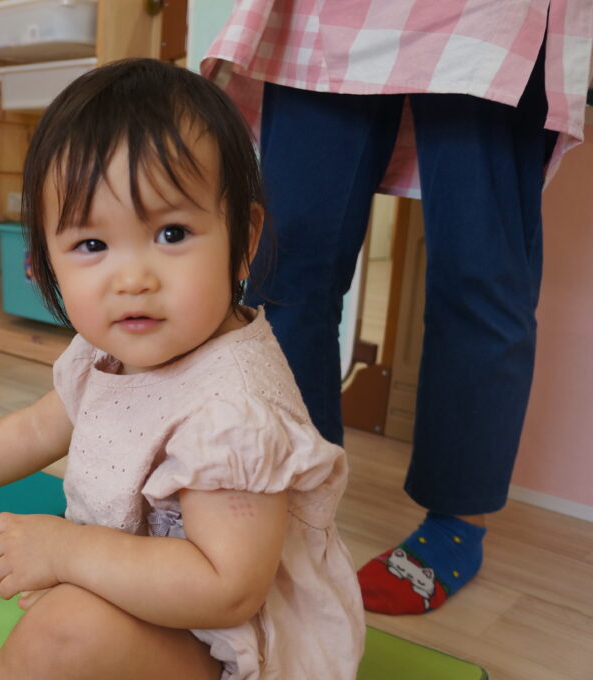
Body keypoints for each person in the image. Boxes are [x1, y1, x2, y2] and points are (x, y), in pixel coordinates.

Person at [0, 58, 365, 679]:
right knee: (65, 618)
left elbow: (227, 589)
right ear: (45, 261)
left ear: (244, 241)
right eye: (92, 245)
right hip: (152, 612)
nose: (134, 279)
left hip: (233, 651)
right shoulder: (107, 354)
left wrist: (68, 550)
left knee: (68, 628)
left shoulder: (233, 412)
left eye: (173, 233)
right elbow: (37, 427)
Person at [202, 1, 592, 615]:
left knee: (480, 271)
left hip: (493, 14)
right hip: (334, 12)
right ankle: (296, 501)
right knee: (284, 269)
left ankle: (457, 523)